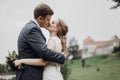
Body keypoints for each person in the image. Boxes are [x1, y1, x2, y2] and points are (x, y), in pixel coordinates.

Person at [16, 3, 65, 80]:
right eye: (48, 20)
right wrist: (61, 57)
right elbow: (44, 52)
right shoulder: (33, 29)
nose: (48, 23)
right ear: (40, 18)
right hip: (30, 75)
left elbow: (43, 57)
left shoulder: (31, 28)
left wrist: (22, 60)